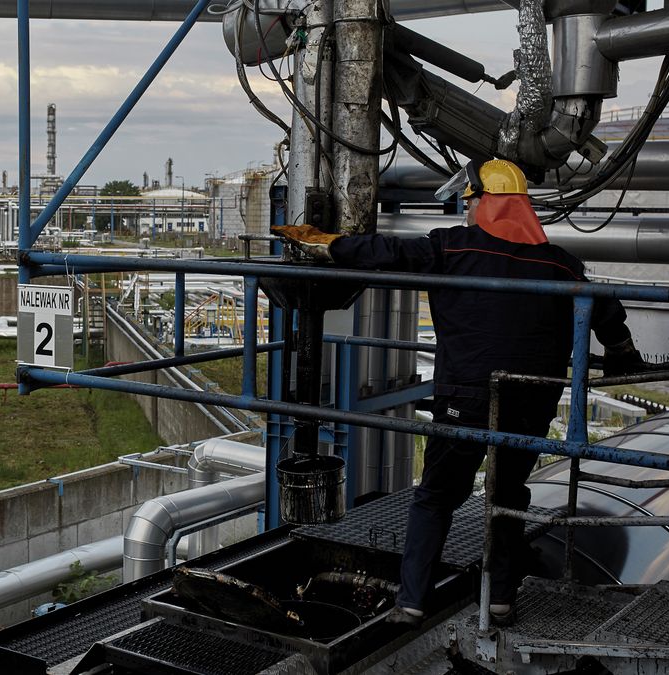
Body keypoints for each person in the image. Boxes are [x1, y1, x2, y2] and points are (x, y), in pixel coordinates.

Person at [272, 159, 644, 628]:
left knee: (436, 496)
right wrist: (624, 354)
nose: (466, 213)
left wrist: (327, 242)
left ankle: (411, 602)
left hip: (464, 397)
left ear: (485, 204)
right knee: (507, 495)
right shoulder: (559, 263)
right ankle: (502, 599)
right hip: (530, 401)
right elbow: (606, 308)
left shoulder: (452, 246)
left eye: (470, 203)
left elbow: (386, 253)